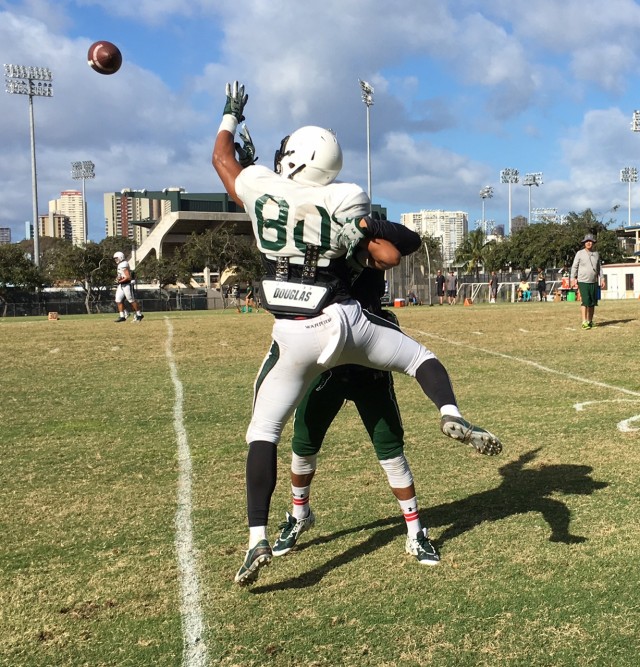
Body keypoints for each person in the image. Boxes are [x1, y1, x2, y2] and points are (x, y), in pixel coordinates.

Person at [212, 80, 502, 585]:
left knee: (265, 433)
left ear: (294, 159)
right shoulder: (347, 196)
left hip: (297, 330)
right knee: (419, 359)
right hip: (348, 323)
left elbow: (224, 163)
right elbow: (372, 241)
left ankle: (257, 536)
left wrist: (230, 117)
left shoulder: (261, 185)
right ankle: (450, 412)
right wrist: (357, 232)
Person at [570, 233, 604, 329]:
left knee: (593, 302)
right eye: (587, 241)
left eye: (591, 241)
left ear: (593, 243)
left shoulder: (596, 254)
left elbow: (599, 268)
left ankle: (590, 321)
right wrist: (573, 278)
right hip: (583, 281)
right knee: (585, 301)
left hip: (593, 281)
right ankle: (584, 321)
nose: (589, 243)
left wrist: (602, 278)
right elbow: (574, 266)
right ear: (584, 243)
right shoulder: (579, 253)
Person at [113, 251, 143, 322]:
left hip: (127, 285)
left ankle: (139, 314)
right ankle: (122, 316)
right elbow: (121, 275)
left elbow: (128, 277)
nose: (115, 260)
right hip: (122, 285)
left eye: (116, 258)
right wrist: (118, 278)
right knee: (118, 300)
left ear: (121, 257)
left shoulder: (124, 264)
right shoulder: (120, 264)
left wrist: (119, 281)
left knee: (131, 300)